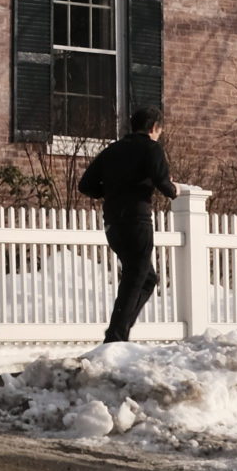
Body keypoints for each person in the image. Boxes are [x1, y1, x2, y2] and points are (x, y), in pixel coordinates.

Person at [79, 108, 176, 344]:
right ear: (154, 127)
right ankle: (115, 338)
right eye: (159, 131)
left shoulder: (112, 150)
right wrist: (175, 190)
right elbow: (163, 182)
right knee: (135, 277)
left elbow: (86, 185)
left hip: (113, 224)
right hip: (137, 222)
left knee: (147, 278)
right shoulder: (151, 148)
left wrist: (111, 192)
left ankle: (120, 332)